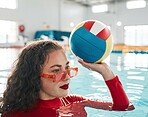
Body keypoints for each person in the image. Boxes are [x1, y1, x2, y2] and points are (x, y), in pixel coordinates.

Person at [0, 40, 135, 117]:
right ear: (33, 76)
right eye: (56, 70)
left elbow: (123, 107)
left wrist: (106, 72)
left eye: (67, 68)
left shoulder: (74, 101)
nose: (66, 77)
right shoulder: (17, 114)